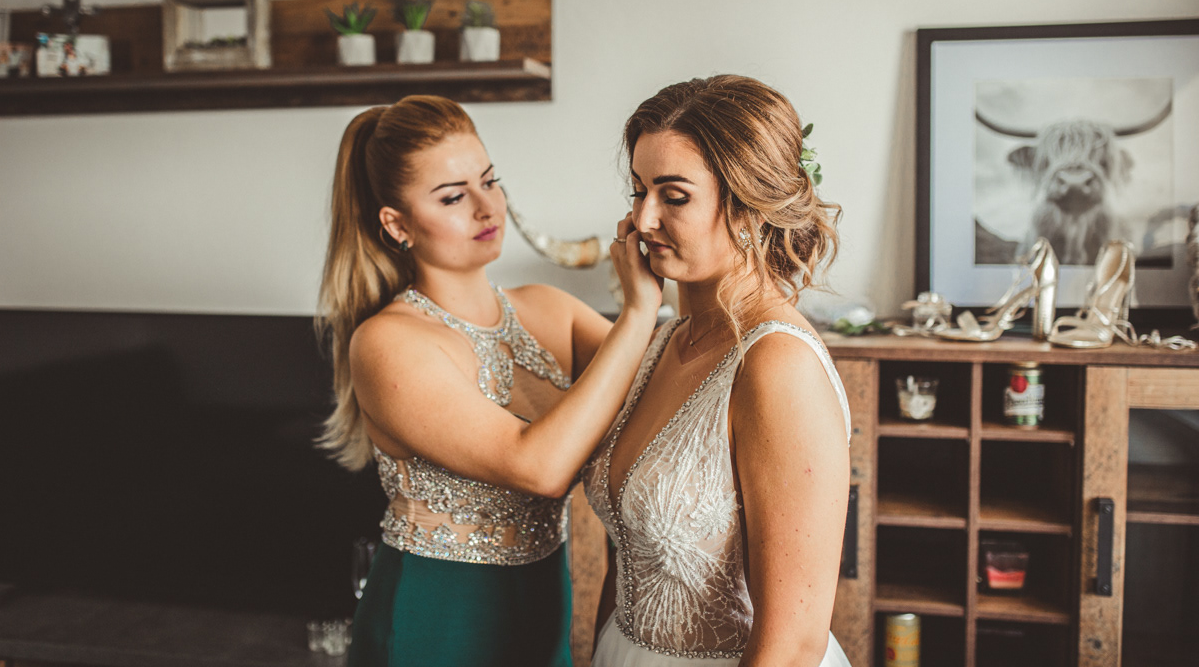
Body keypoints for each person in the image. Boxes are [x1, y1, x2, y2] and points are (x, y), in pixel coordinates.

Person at [315, 95, 662, 667]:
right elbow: (539, 468)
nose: (487, 207)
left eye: (490, 181)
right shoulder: (386, 343)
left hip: (543, 600)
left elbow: (672, 388)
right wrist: (638, 310)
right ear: (397, 224)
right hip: (437, 616)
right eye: (453, 197)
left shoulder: (550, 309)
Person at [582, 75, 853, 667]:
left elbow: (793, 644)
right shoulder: (661, 343)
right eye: (638, 191)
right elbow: (627, 557)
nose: (643, 220)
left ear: (750, 208)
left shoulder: (778, 365)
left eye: (674, 197)